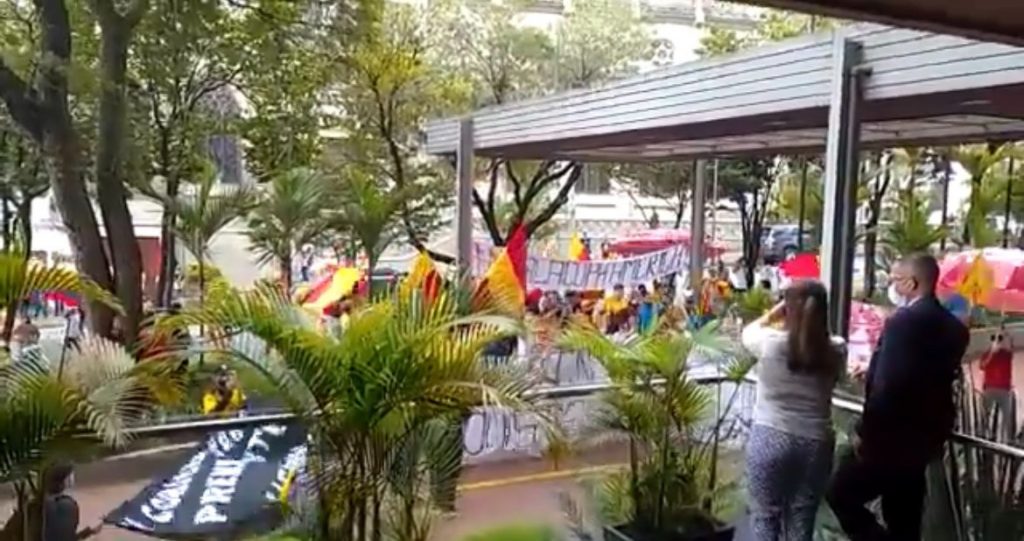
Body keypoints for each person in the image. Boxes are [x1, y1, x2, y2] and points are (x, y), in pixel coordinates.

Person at [827, 254, 969, 541]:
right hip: (924, 442)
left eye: (894, 281)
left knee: (840, 494)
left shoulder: (903, 322)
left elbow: (889, 386)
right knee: (905, 518)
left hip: (888, 441)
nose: (890, 287)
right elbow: (925, 376)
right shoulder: (955, 329)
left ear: (911, 283)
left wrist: (864, 431)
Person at [741, 281, 844, 540]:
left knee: (765, 516)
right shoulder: (837, 348)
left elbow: (748, 332)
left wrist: (774, 313)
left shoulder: (771, 344)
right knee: (802, 517)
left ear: (787, 309)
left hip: (770, 437)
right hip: (816, 441)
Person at [0, 463, 101, 541]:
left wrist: (87, 532)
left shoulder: (33, 504)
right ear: (65, 480)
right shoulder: (64, 505)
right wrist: (86, 533)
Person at [978, 324, 1016, 441]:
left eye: (999, 339)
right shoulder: (986, 353)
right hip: (989, 388)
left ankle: (1009, 440)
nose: (997, 341)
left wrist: (1006, 335)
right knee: (984, 414)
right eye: (994, 338)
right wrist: (992, 354)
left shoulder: (1006, 353)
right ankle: (984, 436)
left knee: (1008, 418)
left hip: (1004, 389)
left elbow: (1011, 347)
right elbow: (982, 366)